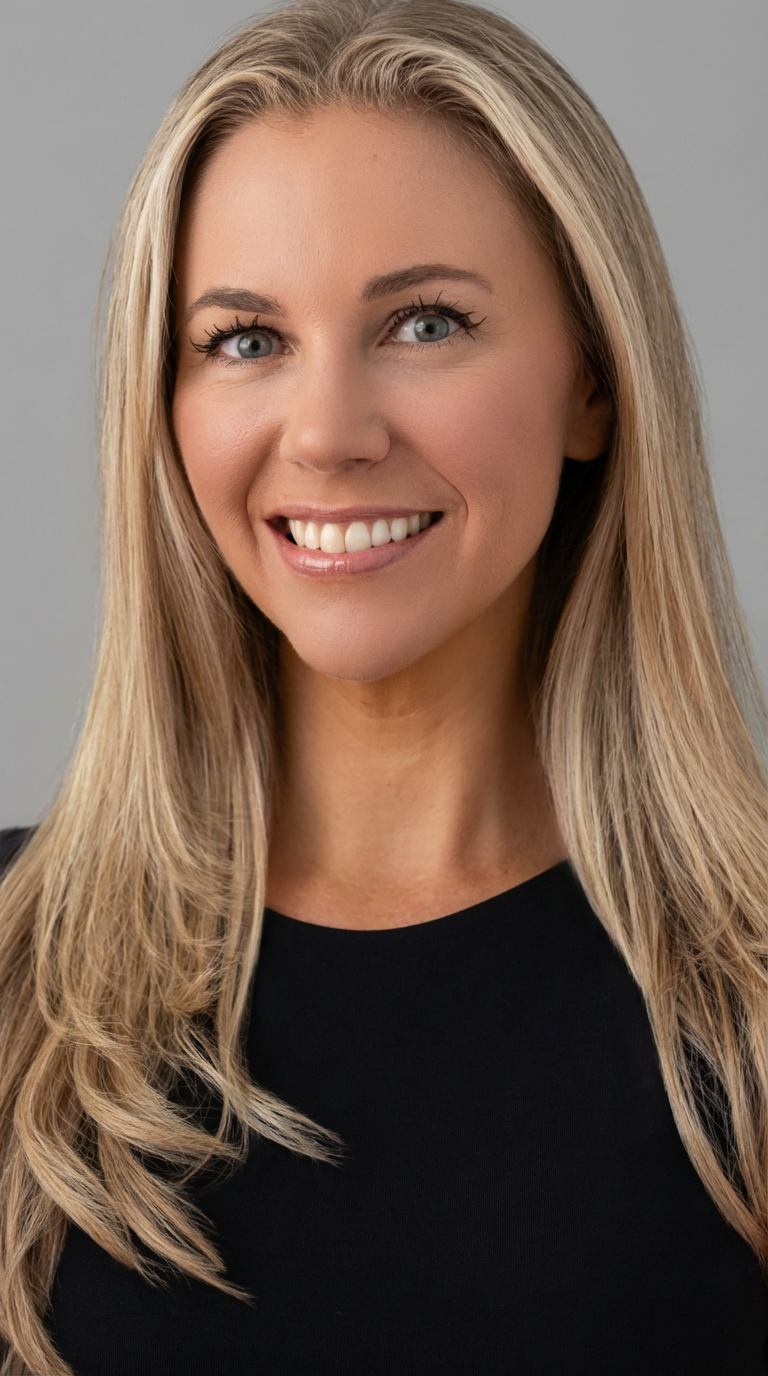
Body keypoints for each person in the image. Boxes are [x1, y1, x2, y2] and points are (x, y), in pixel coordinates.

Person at [0, 0, 766, 1371]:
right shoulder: (12, 988)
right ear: (161, 406)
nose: (330, 433)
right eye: (245, 339)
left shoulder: (751, 1005)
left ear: (593, 381)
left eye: (424, 322)